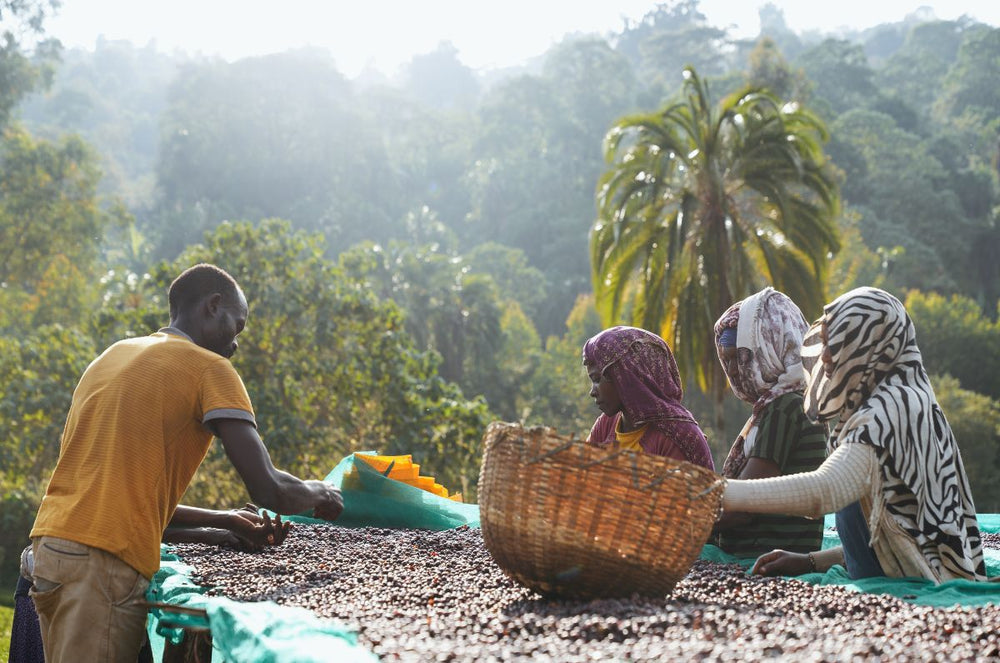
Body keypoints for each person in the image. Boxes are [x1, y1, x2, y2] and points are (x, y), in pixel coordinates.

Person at [27, 263, 345, 663]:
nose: (236, 345)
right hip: (102, 566)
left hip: (53, 550)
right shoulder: (209, 368)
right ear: (213, 306)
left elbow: (128, 503)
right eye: (238, 326)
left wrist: (224, 523)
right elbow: (270, 489)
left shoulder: (113, 355)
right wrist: (322, 491)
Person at [723, 287, 987, 583]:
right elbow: (892, 531)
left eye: (834, 343)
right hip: (906, 571)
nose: (824, 357)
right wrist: (810, 561)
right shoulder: (907, 397)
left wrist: (719, 494)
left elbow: (825, 491)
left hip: (915, 584)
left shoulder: (887, 411)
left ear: (867, 344)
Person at [710, 287, 828, 558]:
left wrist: (688, 526)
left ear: (770, 346)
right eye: (726, 362)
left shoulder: (784, 407)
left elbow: (747, 502)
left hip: (765, 556)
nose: (734, 372)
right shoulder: (787, 402)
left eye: (740, 359)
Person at [582, 325, 714, 469]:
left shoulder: (677, 436)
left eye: (596, 379)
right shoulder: (607, 424)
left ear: (625, 376)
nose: (592, 392)